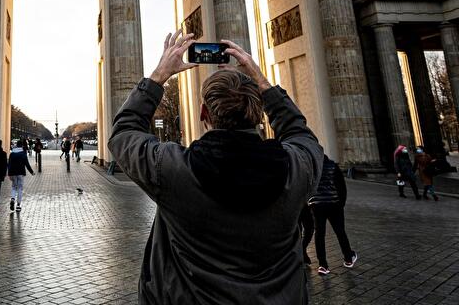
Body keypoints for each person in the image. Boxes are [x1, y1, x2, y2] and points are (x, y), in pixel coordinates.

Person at [109, 32, 323, 304]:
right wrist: (261, 80)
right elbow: (299, 133)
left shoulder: (173, 171)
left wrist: (159, 76)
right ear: (259, 114)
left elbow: (124, 132)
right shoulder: (298, 169)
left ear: (204, 114)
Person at [304, 154, 357, 275]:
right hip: (334, 204)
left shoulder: (311, 168)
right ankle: (348, 258)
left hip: (317, 206)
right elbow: (341, 187)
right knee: (340, 232)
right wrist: (341, 203)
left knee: (319, 234)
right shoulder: (332, 166)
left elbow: (307, 187)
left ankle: (323, 265)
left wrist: (310, 202)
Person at [7, 139, 35, 213]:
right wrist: (31, 172)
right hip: (20, 173)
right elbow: (27, 164)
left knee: (13, 187)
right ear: (22, 145)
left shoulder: (12, 153)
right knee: (20, 188)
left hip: (13, 173)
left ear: (16, 145)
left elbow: (9, 164)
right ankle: (18, 205)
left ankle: (13, 198)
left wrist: (9, 173)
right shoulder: (23, 153)